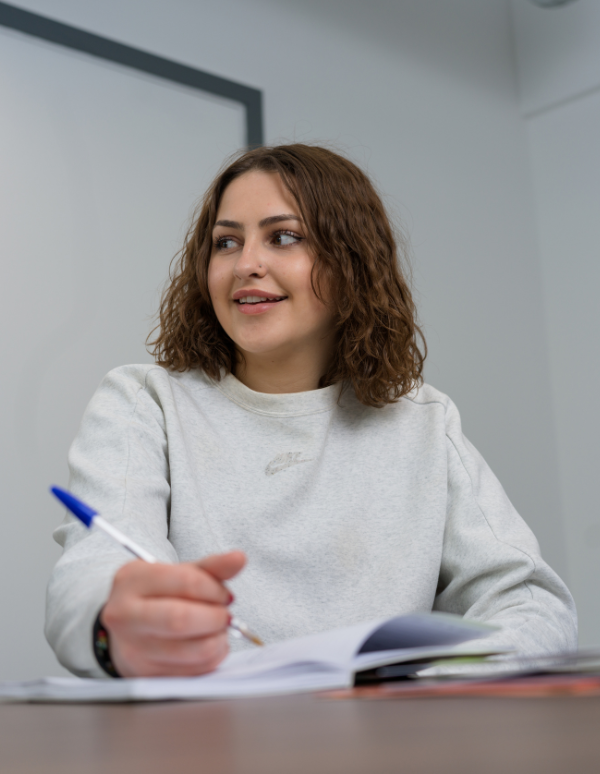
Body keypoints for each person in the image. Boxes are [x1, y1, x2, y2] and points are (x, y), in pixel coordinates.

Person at [45, 144, 577, 678]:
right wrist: (112, 627)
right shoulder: (144, 401)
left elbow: (529, 601)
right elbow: (90, 576)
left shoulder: (423, 419)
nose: (246, 264)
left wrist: (420, 691)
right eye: (226, 242)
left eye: (284, 237)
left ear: (352, 262)